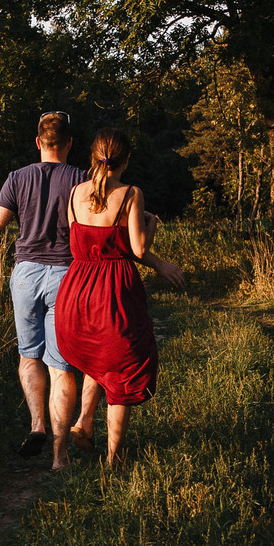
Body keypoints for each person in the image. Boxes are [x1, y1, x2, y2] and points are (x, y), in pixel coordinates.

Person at [0, 111, 88, 456]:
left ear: (38, 142)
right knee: (61, 366)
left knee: (29, 356)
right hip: (66, 277)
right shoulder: (82, 180)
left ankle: (36, 424)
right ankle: (60, 455)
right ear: (70, 143)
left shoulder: (17, 178)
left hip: (25, 276)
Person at [51, 128, 187, 468]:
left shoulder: (73, 194)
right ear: (126, 159)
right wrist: (150, 224)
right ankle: (113, 459)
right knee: (123, 368)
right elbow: (138, 249)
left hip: (77, 290)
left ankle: (83, 421)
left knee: (97, 356)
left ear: (93, 157)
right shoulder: (131, 194)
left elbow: (76, 242)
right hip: (114, 292)